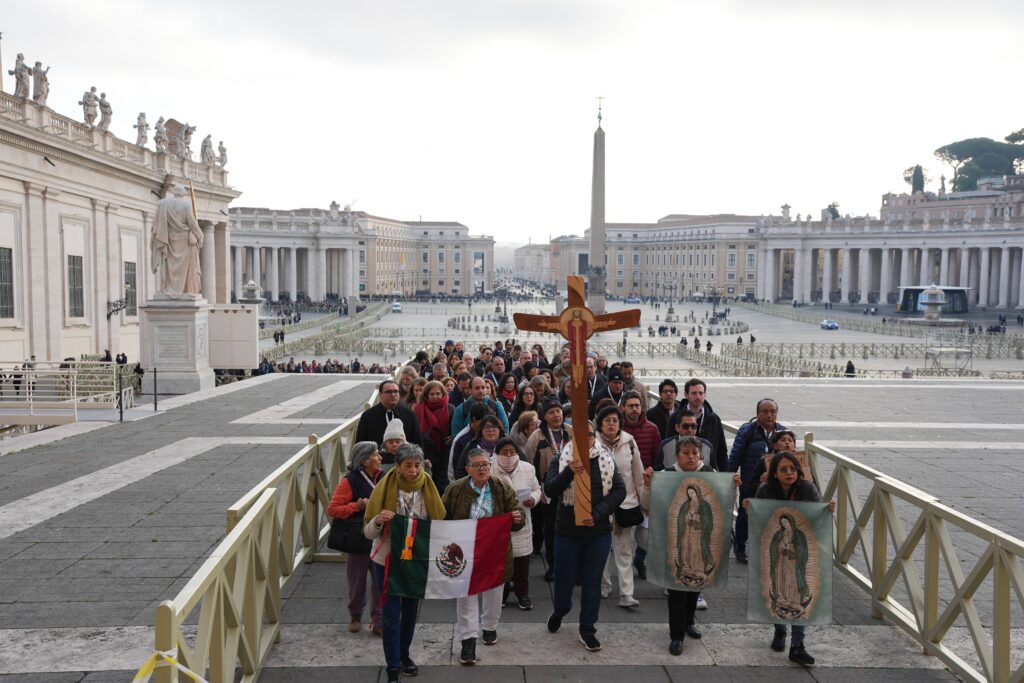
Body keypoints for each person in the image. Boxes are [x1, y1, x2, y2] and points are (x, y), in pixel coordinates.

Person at [641, 436, 742, 654]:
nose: (691, 457)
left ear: (701, 455)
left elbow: (724, 503)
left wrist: (733, 488)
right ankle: (676, 635)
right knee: (677, 587)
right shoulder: (667, 476)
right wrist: (648, 486)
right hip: (679, 540)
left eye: (695, 454)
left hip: (700, 540)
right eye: (686, 453)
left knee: (695, 584)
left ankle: (688, 622)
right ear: (677, 455)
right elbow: (647, 504)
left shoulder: (710, 475)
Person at [364, 443, 446, 683]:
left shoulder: (428, 487)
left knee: (411, 611)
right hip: (386, 559)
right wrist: (379, 520)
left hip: (415, 560)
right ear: (397, 466)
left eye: (417, 465)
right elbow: (368, 532)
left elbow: (439, 522)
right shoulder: (384, 487)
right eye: (408, 466)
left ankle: (404, 654)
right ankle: (392, 666)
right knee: (391, 613)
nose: (413, 470)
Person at [744, 451, 835, 666]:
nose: (789, 473)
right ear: (774, 473)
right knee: (779, 590)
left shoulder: (807, 489)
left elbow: (814, 517)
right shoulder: (766, 490)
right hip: (779, 561)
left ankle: (798, 645)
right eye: (783, 469)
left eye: (793, 469)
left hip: (797, 561)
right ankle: (779, 630)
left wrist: (827, 510)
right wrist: (750, 508)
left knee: (796, 594)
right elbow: (761, 520)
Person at [544, 419, 626, 652]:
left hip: (597, 533)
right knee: (564, 579)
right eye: (579, 434)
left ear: (595, 436)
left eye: (589, 434)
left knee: (592, 583)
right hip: (567, 531)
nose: (585, 439)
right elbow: (549, 489)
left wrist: (598, 513)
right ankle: (560, 609)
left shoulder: (606, 459)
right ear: (572, 437)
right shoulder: (561, 458)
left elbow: (619, 491)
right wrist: (568, 472)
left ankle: (587, 630)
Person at [443, 448, 527, 665]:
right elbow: (442, 516)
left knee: (494, 590)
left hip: (494, 549)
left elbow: (518, 514)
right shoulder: (455, 489)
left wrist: (517, 517)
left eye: (486, 464)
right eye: (477, 465)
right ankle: (468, 639)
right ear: (468, 468)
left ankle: (489, 626)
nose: (482, 469)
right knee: (465, 593)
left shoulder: (500, 487)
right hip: (464, 551)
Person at [327, 442, 384, 635]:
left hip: (379, 536)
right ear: (365, 460)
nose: (380, 457)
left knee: (380, 581)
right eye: (376, 455)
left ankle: (378, 620)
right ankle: (355, 615)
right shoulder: (349, 482)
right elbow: (333, 509)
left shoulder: (382, 477)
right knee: (357, 580)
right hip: (357, 538)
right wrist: (356, 506)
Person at [593, 404, 645, 608]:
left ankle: (627, 593)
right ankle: (603, 585)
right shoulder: (593, 443)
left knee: (624, 550)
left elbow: (638, 475)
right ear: (600, 424)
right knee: (602, 549)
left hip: (625, 504)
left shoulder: (629, 442)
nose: (612, 424)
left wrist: (643, 500)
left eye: (615, 420)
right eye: (608, 420)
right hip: (601, 506)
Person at [727, 398, 785, 564]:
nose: (769, 415)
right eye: (765, 412)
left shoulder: (782, 433)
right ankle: (740, 546)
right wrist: (730, 476)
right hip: (750, 482)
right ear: (757, 414)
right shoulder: (748, 431)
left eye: (773, 412)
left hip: (774, 485)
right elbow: (736, 455)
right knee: (745, 515)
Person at [489, 438, 541, 610]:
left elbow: (537, 488)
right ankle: (500, 596)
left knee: (522, 565)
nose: (509, 455)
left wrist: (533, 499)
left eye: (512, 452)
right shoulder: (489, 469)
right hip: (499, 524)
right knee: (500, 564)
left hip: (522, 523)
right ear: (497, 454)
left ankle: (522, 595)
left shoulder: (528, 468)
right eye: (504, 452)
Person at [526, 398, 569, 581]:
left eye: (558, 411)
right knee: (551, 528)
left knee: (570, 528)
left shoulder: (571, 433)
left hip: (569, 486)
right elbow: (529, 464)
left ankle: (571, 566)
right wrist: (536, 489)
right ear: (544, 416)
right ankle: (553, 565)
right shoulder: (537, 436)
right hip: (547, 488)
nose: (556, 415)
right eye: (551, 412)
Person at [672, 379, 728, 472]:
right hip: (679, 473)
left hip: (706, 473)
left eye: (701, 393)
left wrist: (725, 476)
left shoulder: (714, 419)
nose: (698, 397)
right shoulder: (675, 417)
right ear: (686, 394)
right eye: (694, 393)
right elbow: (670, 443)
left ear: (705, 394)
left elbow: (721, 452)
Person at [355, 379, 422, 446]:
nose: (393, 395)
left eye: (396, 391)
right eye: (389, 392)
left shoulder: (409, 415)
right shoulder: (368, 416)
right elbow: (360, 444)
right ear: (380, 395)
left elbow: (417, 442)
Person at [414, 380, 452, 490]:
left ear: (443, 393)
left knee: (443, 487)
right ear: (426, 395)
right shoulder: (418, 410)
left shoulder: (450, 408)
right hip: (425, 453)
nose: (435, 397)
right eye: (432, 394)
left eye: (438, 393)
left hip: (445, 453)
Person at [453, 415, 504, 480]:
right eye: (487, 427)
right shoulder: (471, 447)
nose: (491, 430)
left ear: (500, 430)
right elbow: (460, 472)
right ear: (481, 430)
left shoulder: (507, 445)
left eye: (494, 427)